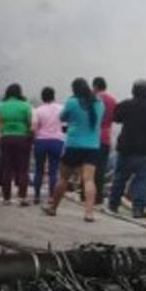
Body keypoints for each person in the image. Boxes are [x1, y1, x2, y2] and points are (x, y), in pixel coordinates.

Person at [43, 78, 105, 221]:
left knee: (64, 178)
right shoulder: (99, 103)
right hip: (93, 146)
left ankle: (53, 208)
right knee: (89, 180)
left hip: (74, 145)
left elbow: (62, 117)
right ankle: (89, 213)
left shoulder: (72, 102)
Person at [108, 80, 146, 217]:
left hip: (127, 149)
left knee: (120, 178)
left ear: (133, 91)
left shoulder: (126, 105)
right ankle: (138, 209)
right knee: (143, 181)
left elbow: (116, 118)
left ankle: (113, 205)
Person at [0, 84, 34, 206]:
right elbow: (31, 124)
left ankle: (6, 198)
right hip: (22, 138)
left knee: (6, 168)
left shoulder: (1, 106)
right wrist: (31, 137)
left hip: (6, 138)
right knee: (23, 169)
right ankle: (22, 197)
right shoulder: (25, 106)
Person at [30, 86, 65, 205]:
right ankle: (51, 196)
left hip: (41, 141)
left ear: (42, 97)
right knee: (53, 170)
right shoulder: (61, 108)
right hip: (57, 141)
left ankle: (36, 196)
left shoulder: (38, 110)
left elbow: (34, 127)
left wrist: (35, 140)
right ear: (54, 96)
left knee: (39, 169)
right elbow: (65, 126)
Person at [92, 77, 118, 202]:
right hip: (106, 137)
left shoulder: (92, 99)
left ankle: (85, 194)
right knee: (101, 168)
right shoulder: (112, 101)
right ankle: (98, 196)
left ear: (95, 86)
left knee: (89, 167)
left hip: (91, 137)